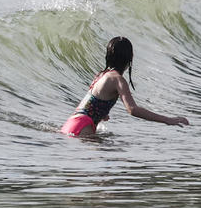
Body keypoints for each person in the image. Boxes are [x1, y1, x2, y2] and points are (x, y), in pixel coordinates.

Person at [60, 36, 189, 137]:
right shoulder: (118, 80)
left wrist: (102, 114)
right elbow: (132, 109)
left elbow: (92, 103)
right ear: (129, 58)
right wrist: (167, 119)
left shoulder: (100, 75)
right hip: (84, 127)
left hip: (72, 123)